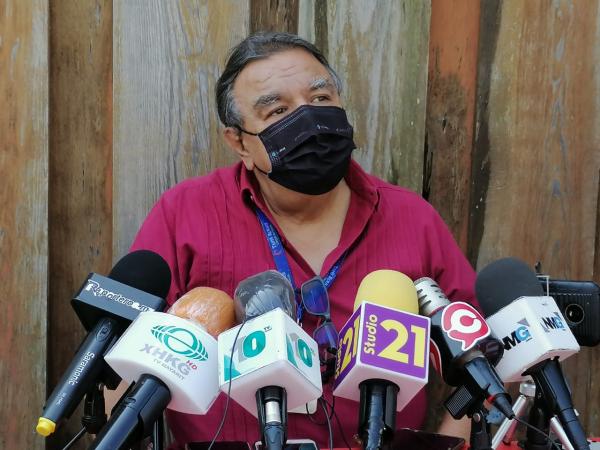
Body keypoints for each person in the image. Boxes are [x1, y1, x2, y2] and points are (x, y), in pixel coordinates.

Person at [129, 31, 475, 449]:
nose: (308, 119)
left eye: (321, 98)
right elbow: (125, 364)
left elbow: (484, 363)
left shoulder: (412, 219)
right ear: (239, 143)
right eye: (278, 110)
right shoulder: (185, 213)